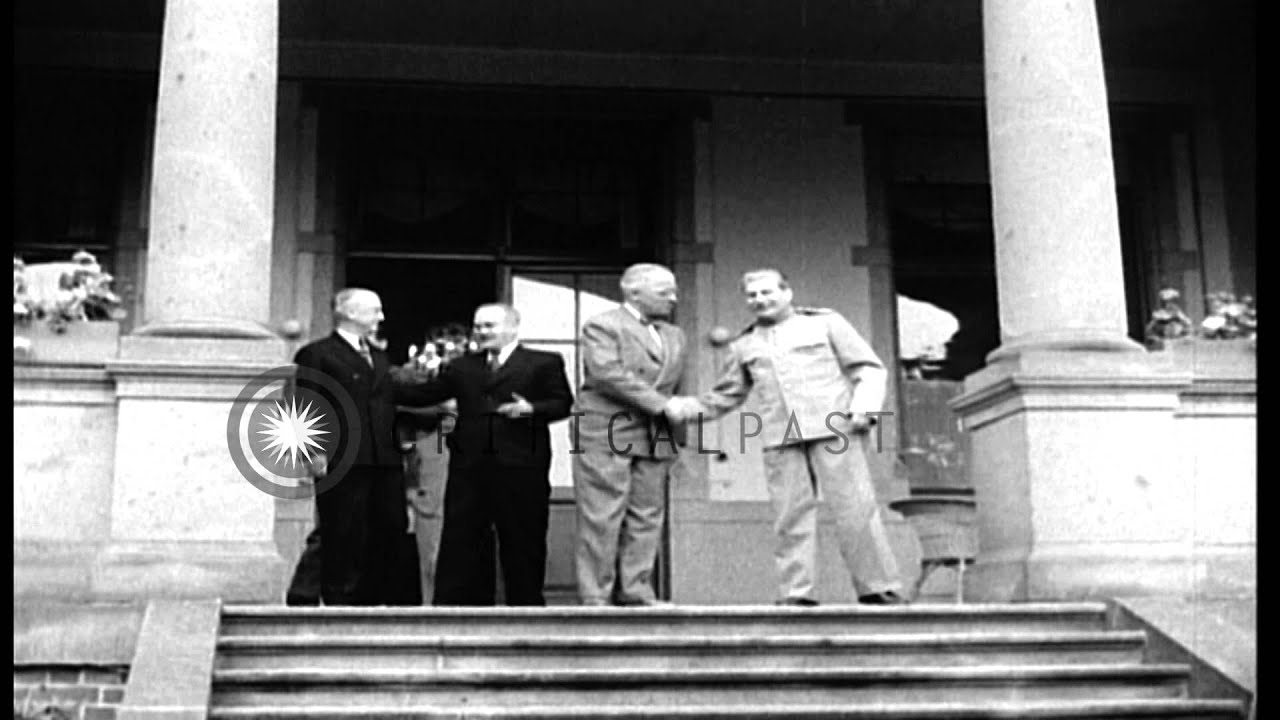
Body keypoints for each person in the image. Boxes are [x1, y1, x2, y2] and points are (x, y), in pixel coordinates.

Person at [670, 268, 905, 606]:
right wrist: (685, 408)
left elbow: (868, 369)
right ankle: (797, 593)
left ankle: (878, 587)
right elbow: (726, 395)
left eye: (767, 292)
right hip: (781, 437)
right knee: (790, 517)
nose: (760, 300)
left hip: (836, 430)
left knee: (856, 510)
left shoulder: (825, 323)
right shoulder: (744, 345)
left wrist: (864, 408)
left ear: (787, 293)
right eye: (752, 295)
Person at [399, 303, 574, 606]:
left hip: (522, 467)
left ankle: (527, 610)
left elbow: (562, 403)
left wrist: (532, 409)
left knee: (523, 542)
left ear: (512, 327)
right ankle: (454, 611)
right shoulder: (463, 366)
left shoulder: (543, 362)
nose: (481, 332)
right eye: (478, 326)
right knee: (461, 540)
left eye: (489, 326)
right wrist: (378, 385)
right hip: (470, 468)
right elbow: (426, 394)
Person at [283, 287, 443, 606]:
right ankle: (339, 602)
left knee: (391, 527)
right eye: (375, 310)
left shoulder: (378, 357)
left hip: (384, 459)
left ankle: (374, 600)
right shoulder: (317, 354)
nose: (381, 317)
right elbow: (302, 405)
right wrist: (312, 452)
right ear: (350, 313)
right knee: (342, 531)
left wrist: (455, 389)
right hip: (341, 458)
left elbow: (397, 396)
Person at [573, 263, 690, 606]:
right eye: (664, 291)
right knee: (602, 515)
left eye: (674, 291)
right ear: (634, 292)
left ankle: (636, 590)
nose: (674, 298)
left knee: (647, 516)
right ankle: (596, 595)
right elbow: (607, 374)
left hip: (656, 433)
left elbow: (678, 385)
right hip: (607, 429)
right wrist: (661, 405)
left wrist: (679, 433)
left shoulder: (675, 335)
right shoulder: (603, 325)